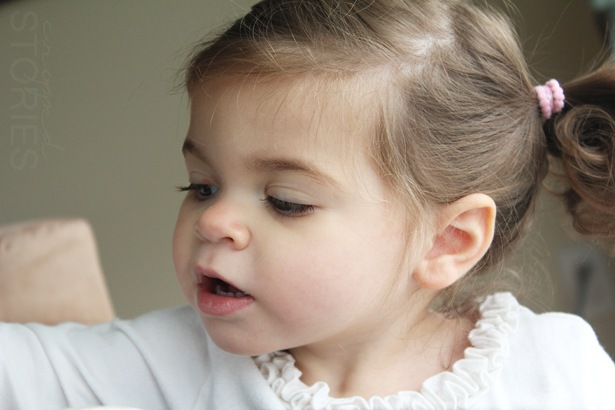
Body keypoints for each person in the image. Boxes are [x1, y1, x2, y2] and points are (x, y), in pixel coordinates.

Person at [2, 0, 615, 409]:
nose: (212, 220)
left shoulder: (557, 370)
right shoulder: (171, 362)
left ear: (446, 241)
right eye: (202, 186)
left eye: (285, 201)